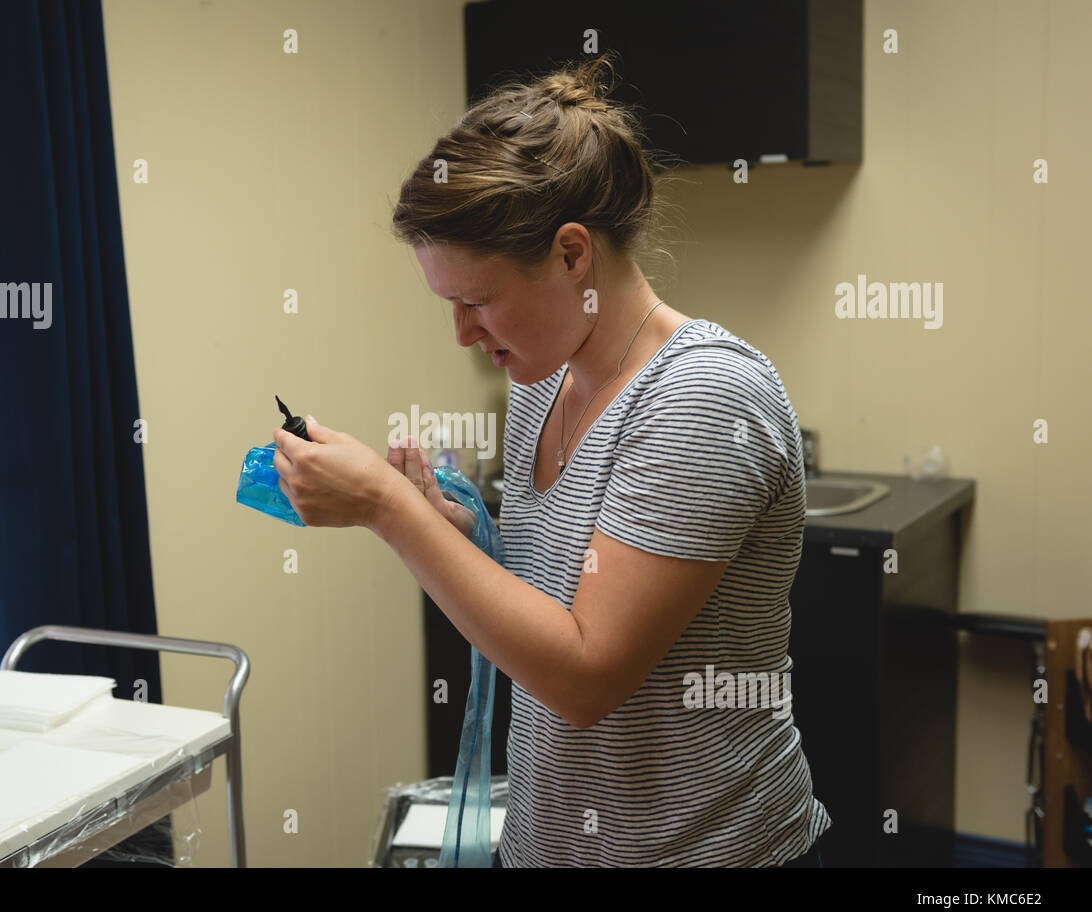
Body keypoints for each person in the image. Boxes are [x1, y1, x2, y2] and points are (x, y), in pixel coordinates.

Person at [271, 53, 831, 867]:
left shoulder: (703, 396)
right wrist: (462, 532)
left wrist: (389, 513)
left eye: (476, 300)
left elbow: (583, 677)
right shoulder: (546, 374)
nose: (462, 332)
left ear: (573, 256)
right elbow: (560, 591)